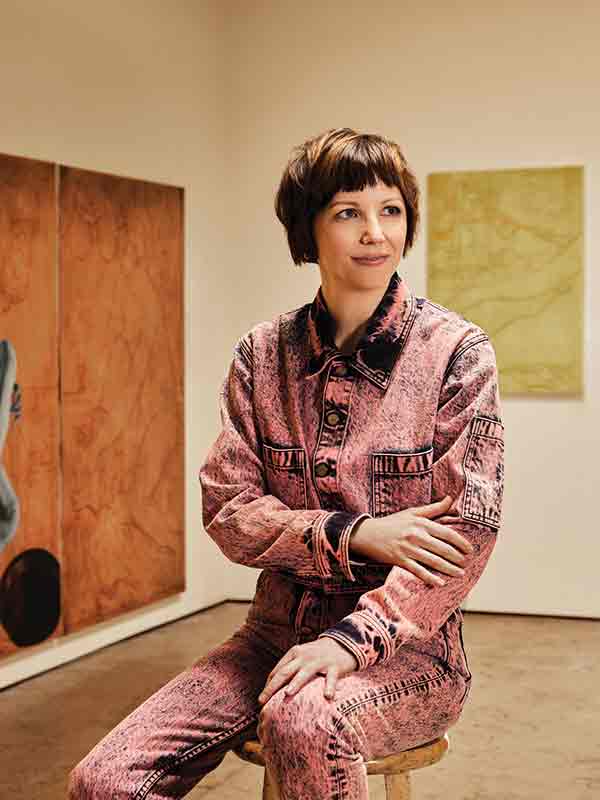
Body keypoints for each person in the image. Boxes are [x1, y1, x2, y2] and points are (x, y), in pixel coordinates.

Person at [68, 127, 504, 799]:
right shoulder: (259, 356)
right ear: (309, 229)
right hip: (270, 637)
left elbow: (466, 539)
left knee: (303, 720)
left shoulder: (457, 354)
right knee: (103, 780)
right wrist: (353, 534)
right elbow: (230, 512)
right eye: (347, 212)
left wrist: (350, 642)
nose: (374, 232)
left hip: (409, 655)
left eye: (390, 210)